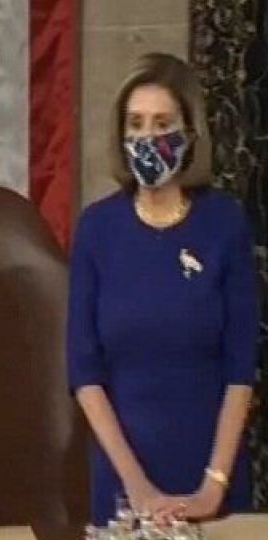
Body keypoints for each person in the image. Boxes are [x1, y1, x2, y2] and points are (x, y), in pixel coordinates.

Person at [67, 52, 257, 526]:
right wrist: (137, 488)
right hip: (123, 490)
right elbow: (84, 372)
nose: (147, 139)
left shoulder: (225, 224)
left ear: (189, 133)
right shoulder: (97, 229)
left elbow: (241, 368)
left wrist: (212, 486)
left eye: (162, 124)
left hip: (214, 486)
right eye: (135, 125)